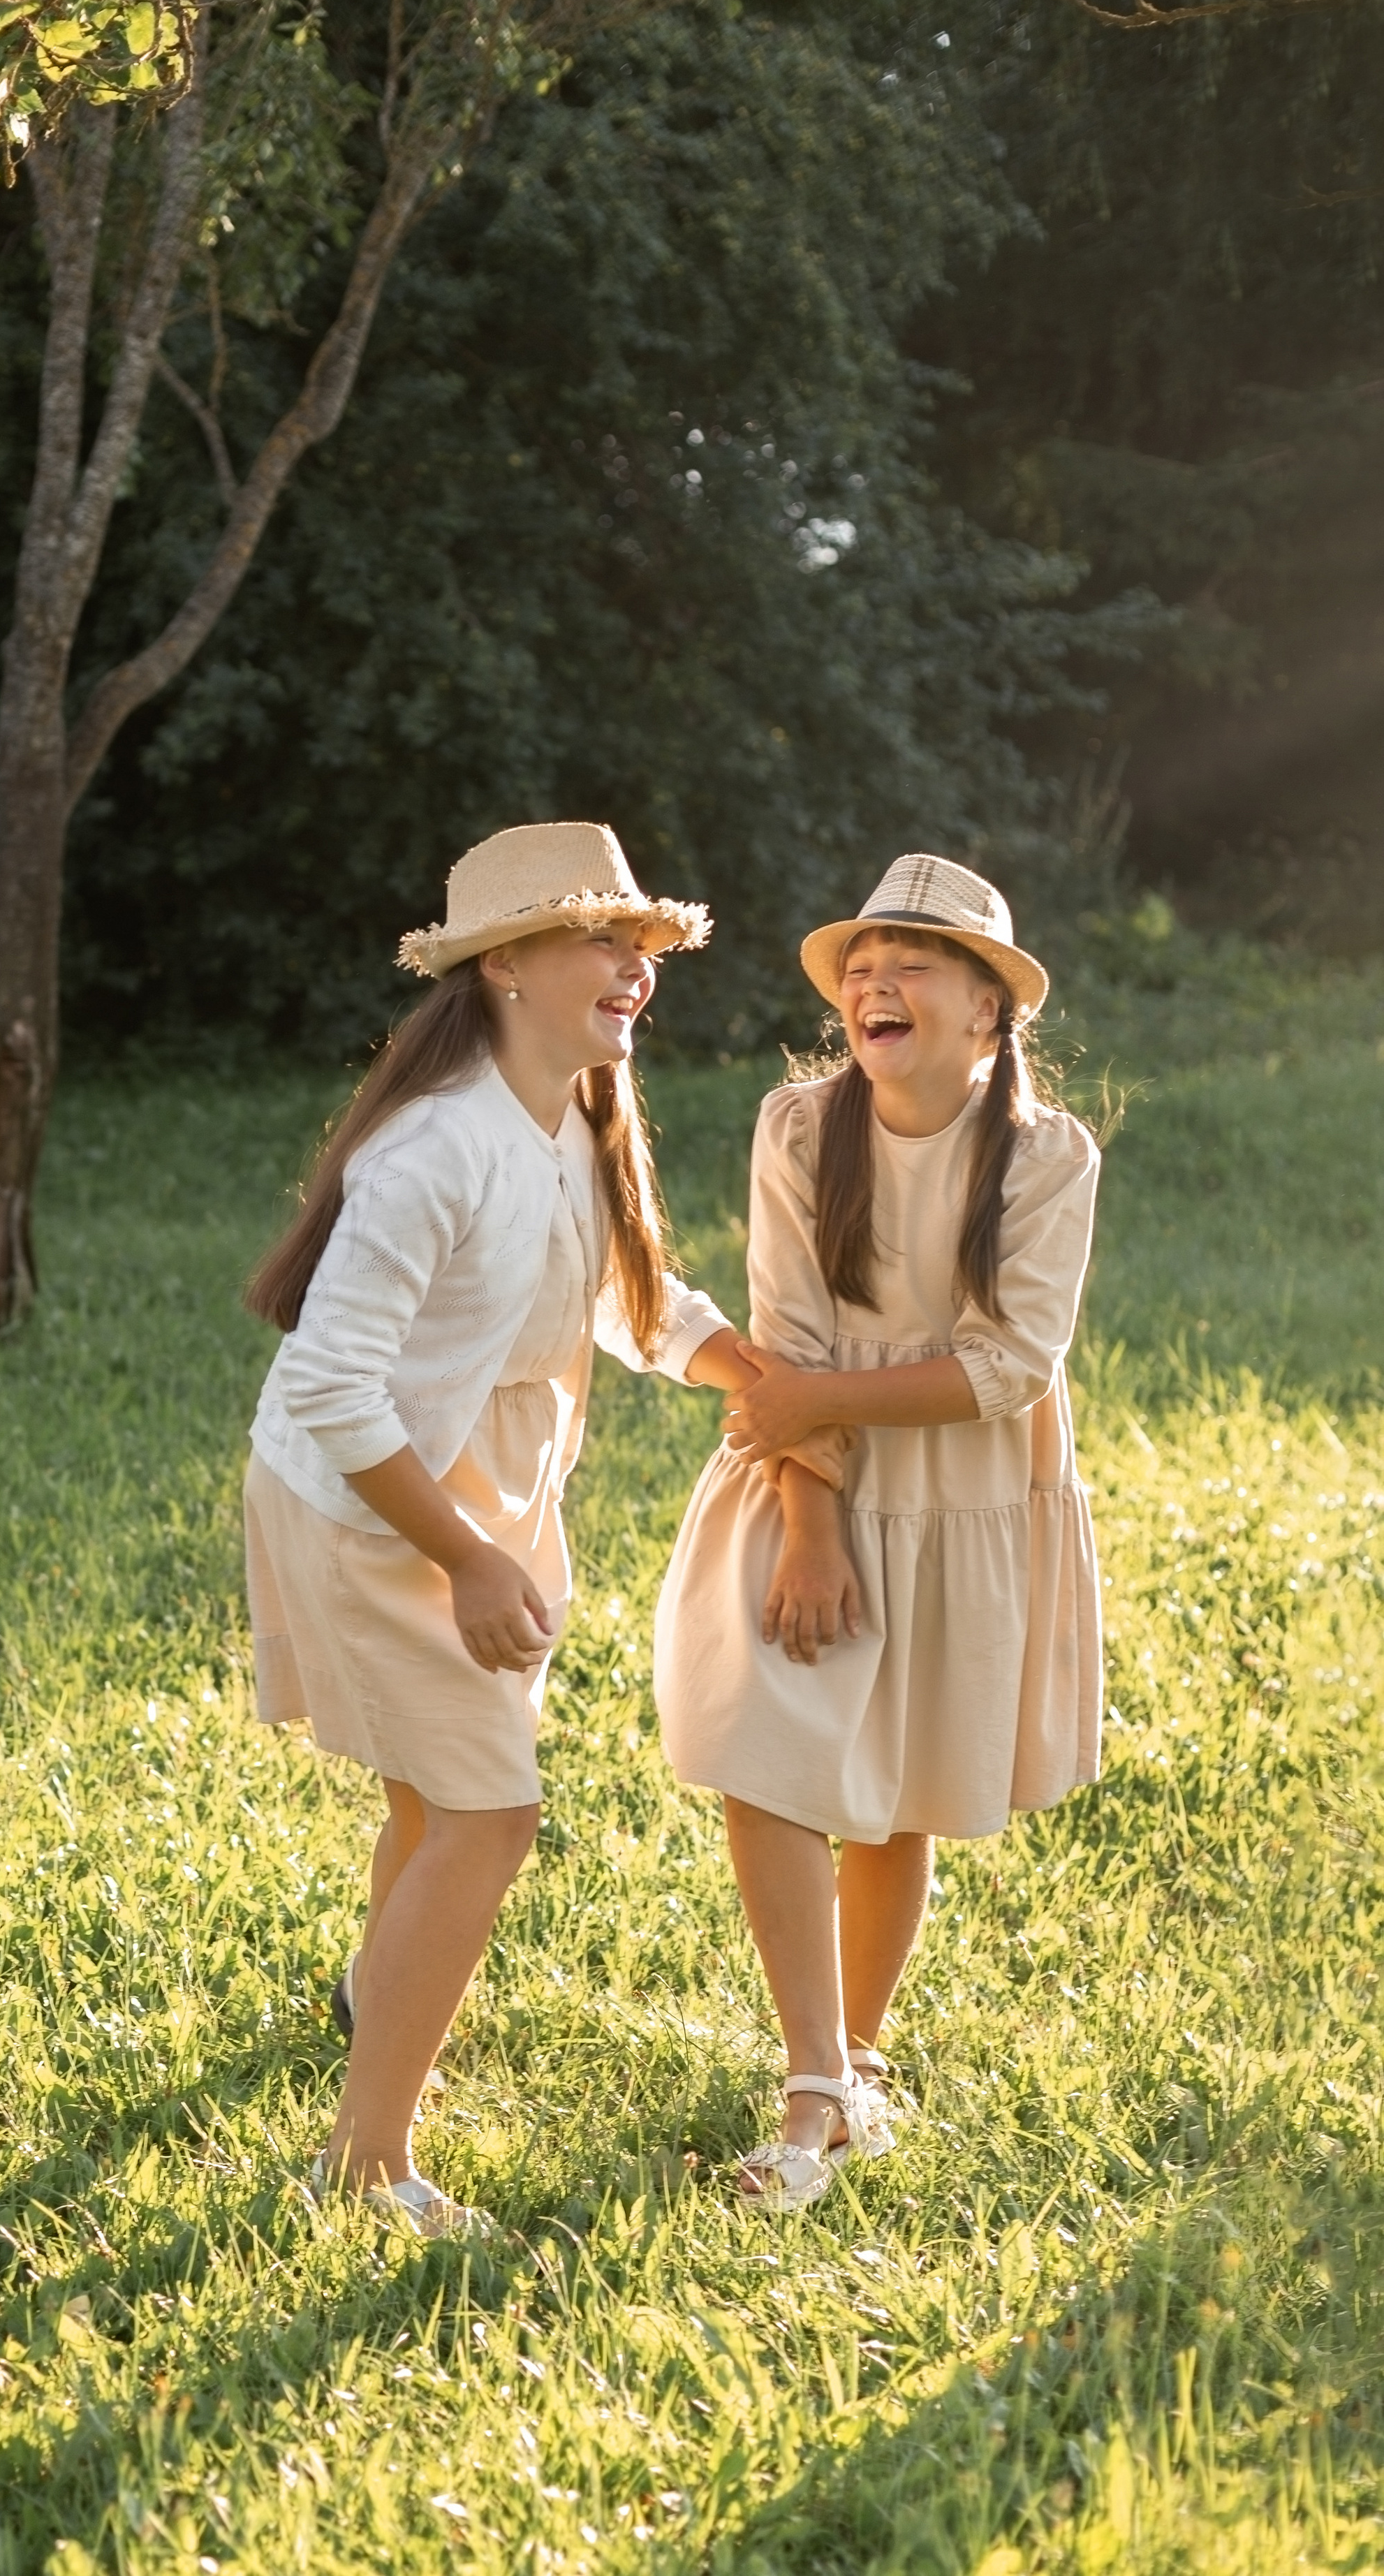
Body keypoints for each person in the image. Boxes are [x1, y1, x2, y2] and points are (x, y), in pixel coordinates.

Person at [244, 822, 841, 2237]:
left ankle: (375, 2007)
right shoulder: (433, 1146)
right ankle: (363, 2163)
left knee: (432, 1802)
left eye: (641, 946)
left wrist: (761, 1381)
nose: (633, 969)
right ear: (501, 962)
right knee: (486, 1815)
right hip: (371, 1500)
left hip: (478, 1491)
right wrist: (462, 1553)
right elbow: (329, 1384)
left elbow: (623, 1298)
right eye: (598, 939)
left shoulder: (572, 1111)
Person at [654, 854, 1103, 2211]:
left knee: (893, 1786)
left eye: (911, 959)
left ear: (987, 1009)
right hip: (811, 1482)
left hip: (961, 1490)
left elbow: (1006, 1364)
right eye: (860, 960)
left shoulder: (1042, 1151)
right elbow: (782, 1338)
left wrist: (811, 1399)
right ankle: (810, 2084)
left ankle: (850, 2063)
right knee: (771, 1754)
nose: (872, 979)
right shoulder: (798, 1127)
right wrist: (808, 1523)